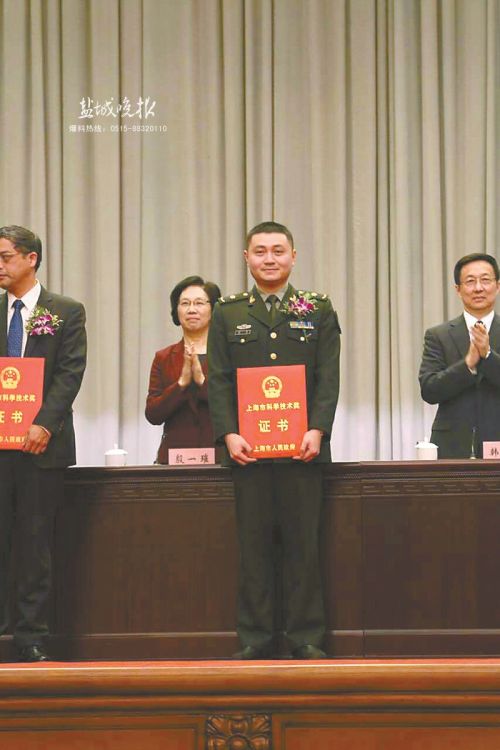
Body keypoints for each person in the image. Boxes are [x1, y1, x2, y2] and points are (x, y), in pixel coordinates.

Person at [208, 221, 341, 659]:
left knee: (304, 549)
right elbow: (220, 381)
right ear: (247, 258)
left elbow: (328, 379)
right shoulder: (228, 312)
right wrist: (228, 433)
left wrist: (318, 429)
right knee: (254, 551)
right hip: (248, 454)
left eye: (278, 251)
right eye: (261, 251)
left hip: (304, 451)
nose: (270, 259)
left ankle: (306, 638)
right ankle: (256, 638)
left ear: (293, 256)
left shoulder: (317, 308)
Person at [0, 225, 87, 662]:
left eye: (5, 257)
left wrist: (44, 424)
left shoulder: (65, 311)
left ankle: (31, 635)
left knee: (35, 543)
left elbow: (70, 374)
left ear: (31, 258)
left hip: (41, 447)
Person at [419, 253, 500, 458]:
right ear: (458, 289)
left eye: (485, 280)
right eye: (470, 281)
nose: (478, 288)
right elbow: (429, 390)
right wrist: (468, 364)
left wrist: (488, 356)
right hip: (452, 446)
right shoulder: (438, 335)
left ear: (497, 286)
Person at [145, 275, 221, 463]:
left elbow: (237, 408)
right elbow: (153, 414)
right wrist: (181, 384)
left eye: (199, 303)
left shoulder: (226, 355)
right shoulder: (163, 357)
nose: (192, 309)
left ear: (214, 308)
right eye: (185, 303)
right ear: (176, 311)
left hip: (220, 456)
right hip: (174, 458)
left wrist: (202, 381)